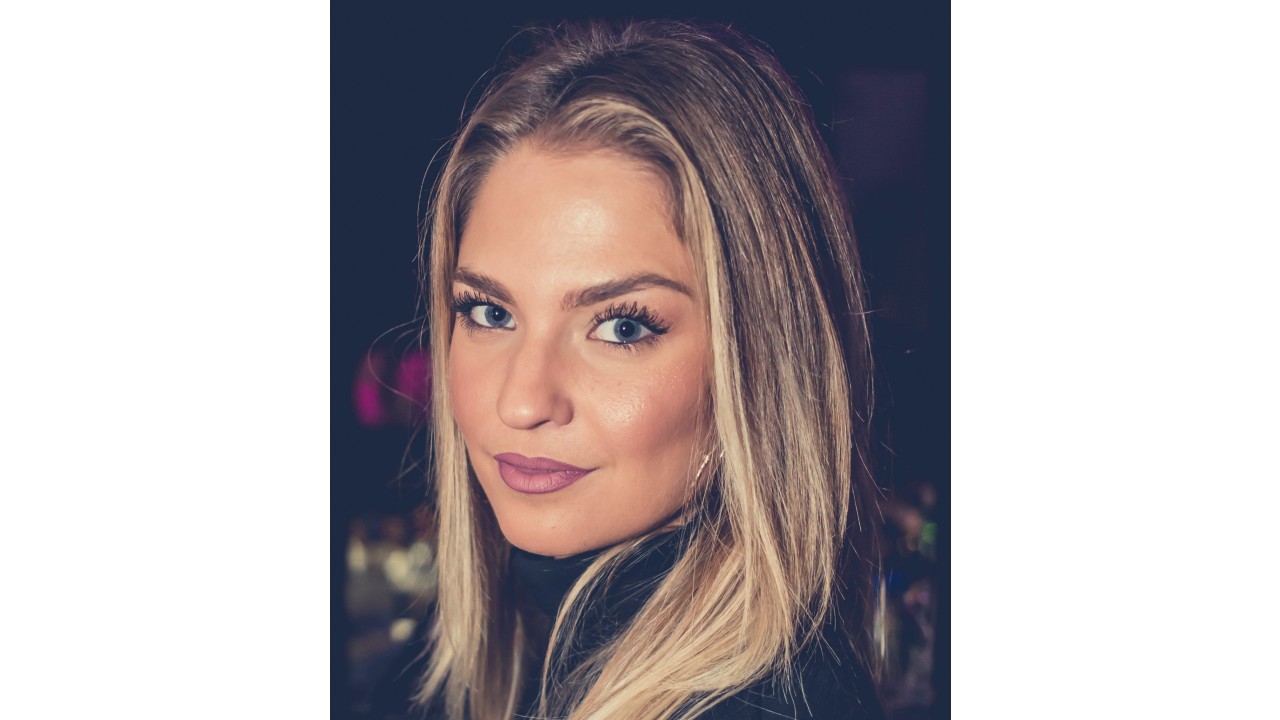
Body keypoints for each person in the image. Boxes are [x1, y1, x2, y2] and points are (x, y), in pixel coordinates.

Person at [415, 19, 884, 720]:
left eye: (622, 327)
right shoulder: (514, 660)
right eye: (489, 312)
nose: (522, 401)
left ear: (758, 358)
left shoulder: (768, 705)